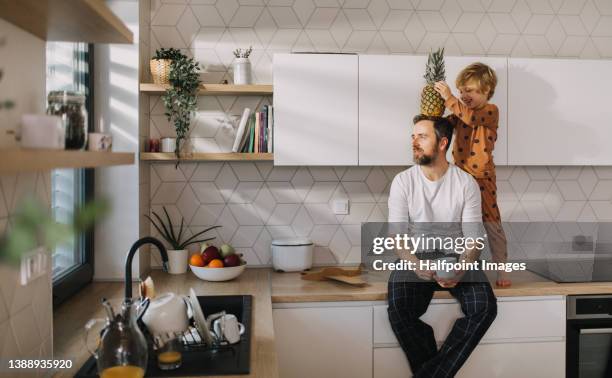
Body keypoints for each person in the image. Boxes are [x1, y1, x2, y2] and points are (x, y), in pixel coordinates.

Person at [387, 116, 497, 377]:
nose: (414, 142)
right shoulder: (403, 182)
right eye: (413, 136)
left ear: (442, 143)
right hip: (416, 256)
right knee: (399, 307)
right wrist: (416, 265)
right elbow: (397, 237)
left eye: (421, 137)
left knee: (485, 307)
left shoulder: (465, 183)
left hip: (456, 256)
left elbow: (474, 238)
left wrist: (462, 267)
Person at [433, 62, 511, 287]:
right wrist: (431, 115)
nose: (464, 95)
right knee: (458, 223)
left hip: (482, 176)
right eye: (461, 90)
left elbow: (469, 117)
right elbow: (447, 124)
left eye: (470, 90)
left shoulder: (490, 110)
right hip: (460, 175)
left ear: (486, 91)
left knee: (492, 222)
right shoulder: (460, 112)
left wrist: (450, 98)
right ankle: (458, 267)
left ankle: (502, 270)